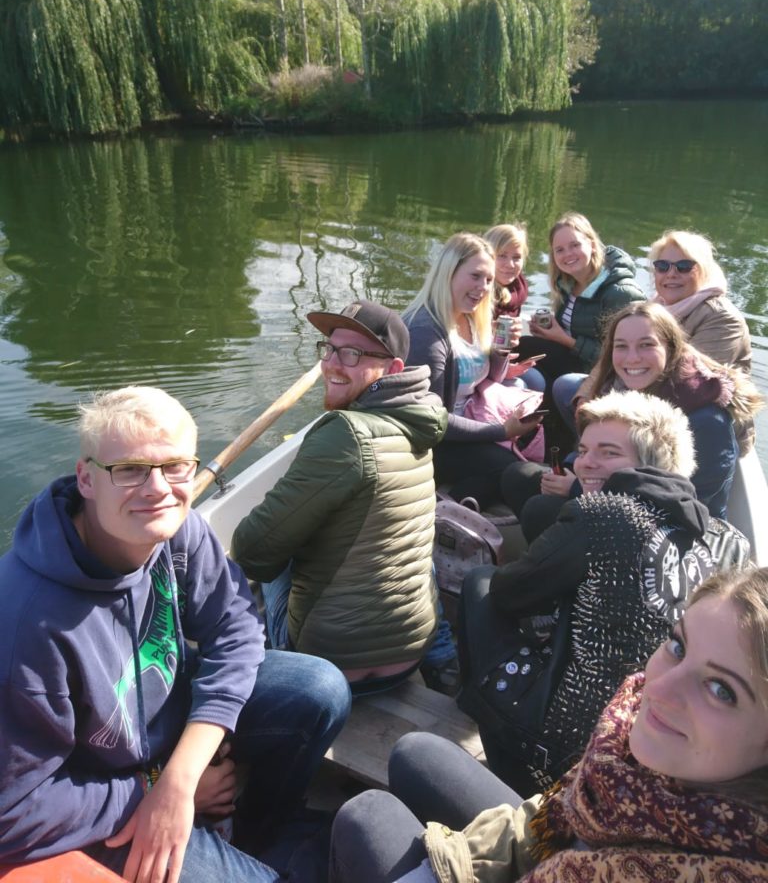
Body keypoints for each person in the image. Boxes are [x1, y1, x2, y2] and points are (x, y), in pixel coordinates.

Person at [0, 386, 351, 883]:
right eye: (130, 469)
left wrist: (182, 774)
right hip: (101, 788)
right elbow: (13, 810)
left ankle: (263, 833)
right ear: (86, 478)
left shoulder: (174, 526)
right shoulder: (24, 625)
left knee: (319, 690)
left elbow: (235, 626)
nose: (157, 488)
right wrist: (150, 789)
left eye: (175, 467)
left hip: (166, 742)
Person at [330, 564, 768, 883]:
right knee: (416, 753)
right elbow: (553, 815)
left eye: (721, 689)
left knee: (367, 816)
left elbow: (511, 584)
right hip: (555, 846)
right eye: (677, 645)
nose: (660, 689)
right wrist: (456, 861)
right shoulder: (626, 755)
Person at [463, 390, 748, 793]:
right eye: (583, 450)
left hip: (562, 749)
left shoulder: (607, 513)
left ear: (652, 464)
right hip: (655, 748)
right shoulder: (723, 538)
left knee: (482, 583)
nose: (585, 463)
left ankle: (484, 722)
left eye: (609, 453)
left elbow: (510, 592)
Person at [232, 299, 448, 695]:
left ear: (393, 368)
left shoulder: (344, 432)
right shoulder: (420, 419)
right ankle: (444, 655)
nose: (332, 363)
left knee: (262, 553)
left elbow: (252, 551)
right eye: (329, 349)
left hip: (330, 665)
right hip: (409, 656)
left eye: (352, 354)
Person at [545, 301, 760, 518]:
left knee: (540, 509)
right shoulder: (616, 389)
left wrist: (576, 489)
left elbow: (688, 505)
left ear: (671, 347)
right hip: (621, 499)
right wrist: (571, 467)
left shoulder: (706, 420)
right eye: (621, 346)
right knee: (527, 481)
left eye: (646, 345)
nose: (632, 358)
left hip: (674, 532)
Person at [402, 233, 542, 510]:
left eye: (489, 280)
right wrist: (501, 431)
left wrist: (501, 351)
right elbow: (434, 423)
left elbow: (486, 380)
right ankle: (444, 512)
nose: (483, 287)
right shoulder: (425, 333)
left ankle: (456, 505)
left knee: (517, 470)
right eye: (475, 276)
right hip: (433, 443)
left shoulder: (470, 316)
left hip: (470, 418)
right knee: (513, 473)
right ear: (448, 273)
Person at [517, 212, 645, 391]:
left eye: (575, 245)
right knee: (521, 349)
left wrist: (565, 339)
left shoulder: (621, 293)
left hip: (604, 374)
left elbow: (623, 355)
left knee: (526, 354)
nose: (567, 254)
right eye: (559, 250)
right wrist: (549, 332)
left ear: (592, 245)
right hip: (575, 359)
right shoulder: (568, 285)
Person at [649, 229, 752, 372]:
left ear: (704, 272)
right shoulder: (652, 308)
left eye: (684, 267)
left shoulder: (723, 318)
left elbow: (693, 381)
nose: (671, 274)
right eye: (662, 266)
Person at [484, 223, 544, 394]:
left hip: (501, 357)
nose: (510, 264)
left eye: (516, 257)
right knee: (529, 383)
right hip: (480, 363)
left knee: (538, 380)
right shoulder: (480, 291)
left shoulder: (518, 287)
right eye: (501, 256)